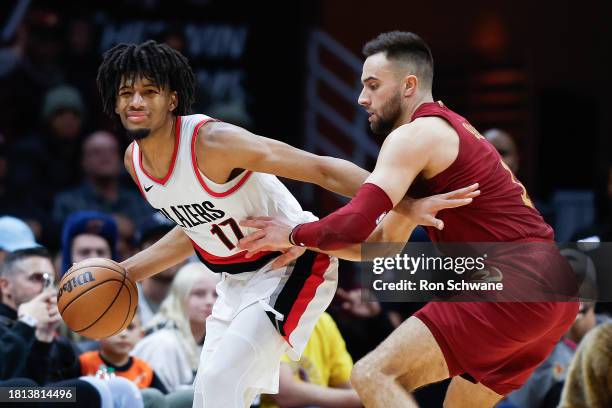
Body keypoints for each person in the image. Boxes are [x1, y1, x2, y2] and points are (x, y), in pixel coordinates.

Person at [90, 40, 476, 408]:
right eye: (125, 94)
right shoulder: (135, 163)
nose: (136, 102)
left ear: (172, 98)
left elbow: (321, 169)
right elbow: (194, 230)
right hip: (233, 281)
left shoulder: (213, 142)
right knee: (208, 393)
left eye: (149, 91)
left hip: (291, 264)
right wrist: (124, 273)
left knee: (224, 380)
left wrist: (406, 202)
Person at [238, 31, 580, 407]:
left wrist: (293, 234)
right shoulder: (450, 129)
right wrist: (403, 212)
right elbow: (378, 248)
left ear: (408, 85)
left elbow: (354, 222)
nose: (361, 98)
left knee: (371, 374)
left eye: (372, 85)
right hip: (557, 288)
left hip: (513, 279)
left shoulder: (415, 135)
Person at [133, 262, 217, 394]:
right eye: (199, 294)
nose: (209, 301)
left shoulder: (214, 341)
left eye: (216, 295)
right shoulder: (162, 342)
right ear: (180, 297)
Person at [261, 312, 361, 408]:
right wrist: (358, 398)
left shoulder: (324, 321)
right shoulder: (272, 318)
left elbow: (350, 387)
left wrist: (359, 398)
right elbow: (284, 393)